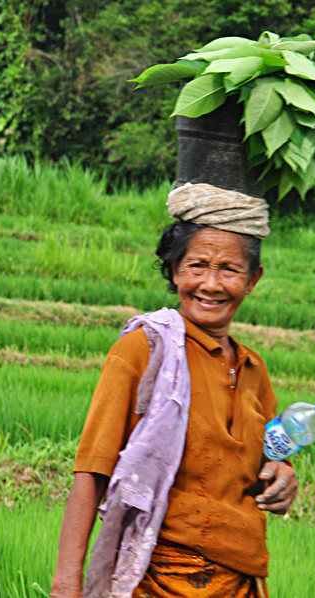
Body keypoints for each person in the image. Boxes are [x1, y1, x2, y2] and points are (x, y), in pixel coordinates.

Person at [50, 183, 298, 598]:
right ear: (174, 271)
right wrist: (65, 586)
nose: (211, 284)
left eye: (229, 269)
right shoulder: (144, 351)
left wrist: (284, 477)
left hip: (241, 579)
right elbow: (93, 469)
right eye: (197, 265)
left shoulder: (254, 369)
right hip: (156, 577)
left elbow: (271, 460)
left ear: (253, 279)